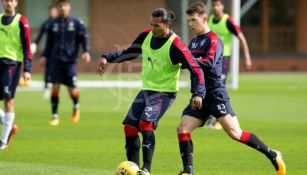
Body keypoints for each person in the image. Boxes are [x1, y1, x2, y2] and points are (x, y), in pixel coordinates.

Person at [177, 2, 286, 175]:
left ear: (205, 19)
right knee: (183, 128)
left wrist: (189, 62)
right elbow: (194, 72)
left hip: (215, 95)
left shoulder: (214, 40)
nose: (190, 24)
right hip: (199, 96)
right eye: (188, 20)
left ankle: (272, 154)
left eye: (193, 20)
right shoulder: (193, 42)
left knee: (235, 133)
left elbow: (210, 64)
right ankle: (188, 171)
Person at [97, 8, 205, 175]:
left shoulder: (176, 45)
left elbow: (196, 69)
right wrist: (108, 57)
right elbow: (129, 53)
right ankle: (133, 168)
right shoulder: (146, 36)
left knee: (145, 124)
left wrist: (198, 93)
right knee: (129, 127)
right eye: (151, 25)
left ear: (167, 25)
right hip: (146, 91)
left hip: (164, 93)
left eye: (157, 26)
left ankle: (146, 169)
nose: (153, 29)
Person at [41, 0, 91, 126]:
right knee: (55, 86)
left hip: (70, 61)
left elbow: (84, 37)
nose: (63, 8)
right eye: (61, 5)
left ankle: (76, 106)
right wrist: (44, 56)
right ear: (58, 8)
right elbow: (49, 43)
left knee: (71, 89)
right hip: (55, 60)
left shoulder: (77, 22)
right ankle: (54, 116)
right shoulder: (53, 23)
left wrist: (86, 51)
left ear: (69, 7)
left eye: (65, 5)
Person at [206, 0, 253, 129]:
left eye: (218, 5)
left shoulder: (228, 21)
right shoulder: (208, 20)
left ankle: (219, 118)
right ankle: (209, 115)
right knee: (208, 86)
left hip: (223, 58)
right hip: (210, 59)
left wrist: (247, 57)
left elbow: (241, 37)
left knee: (219, 86)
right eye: (214, 5)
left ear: (222, 7)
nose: (215, 7)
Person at [0, 0, 32, 149]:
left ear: (16, 3)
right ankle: (10, 127)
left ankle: (3, 140)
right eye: (5, 0)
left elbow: (27, 47)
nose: (8, 3)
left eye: (11, 0)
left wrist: (27, 69)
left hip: (12, 65)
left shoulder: (21, 21)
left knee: (8, 100)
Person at [31, 5, 58, 99]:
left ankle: (56, 88)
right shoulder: (46, 24)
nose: (52, 13)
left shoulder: (61, 23)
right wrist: (34, 45)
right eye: (51, 11)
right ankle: (47, 88)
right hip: (49, 51)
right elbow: (39, 36)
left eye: (54, 11)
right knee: (48, 70)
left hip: (60, 52)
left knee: (58, 71)